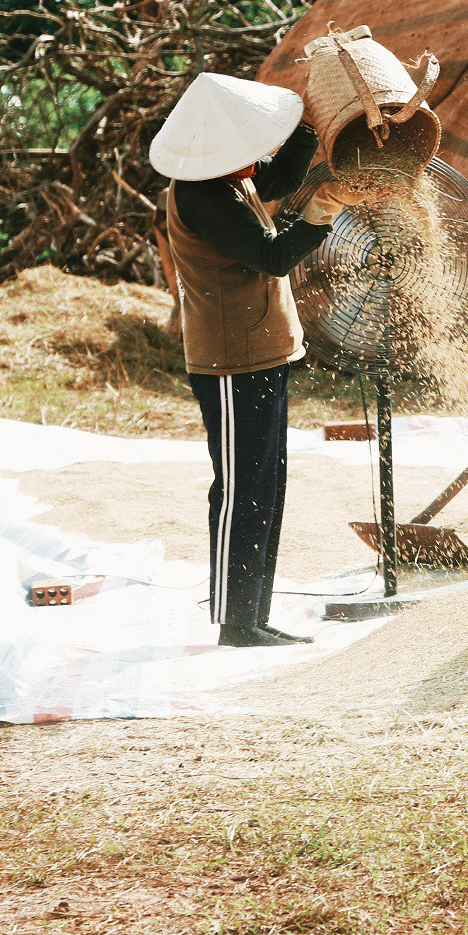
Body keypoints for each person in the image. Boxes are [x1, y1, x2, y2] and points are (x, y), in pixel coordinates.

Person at [150, 72, 352, 648]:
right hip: (231, 362)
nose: (253, 159)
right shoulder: (201, 194)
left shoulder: (223, 178)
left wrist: (313, 125)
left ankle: (253, 614)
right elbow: (274, 256)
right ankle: (235, 622)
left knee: (266, 482)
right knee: (241, 487)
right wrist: (318, 213)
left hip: (260, 351)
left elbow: (282, 175)